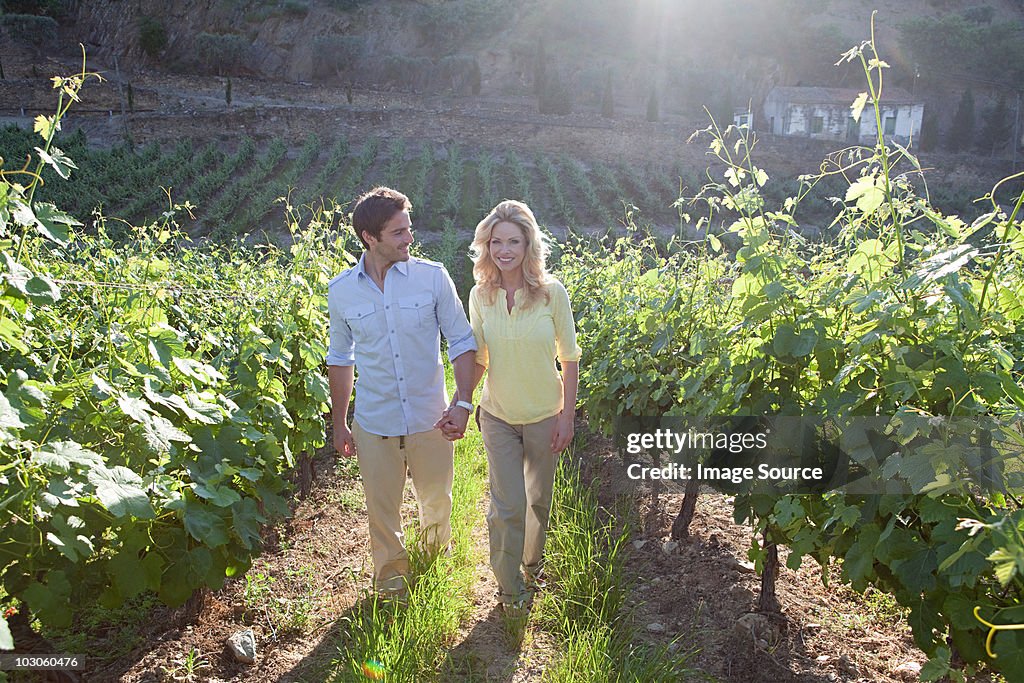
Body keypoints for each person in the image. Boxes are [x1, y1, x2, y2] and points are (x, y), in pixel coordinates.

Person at [326, 186, 478, 598]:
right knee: (382, 512)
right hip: (375, 422)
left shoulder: (432, 277)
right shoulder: (341, 291)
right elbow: (341, 357)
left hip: (431, 418)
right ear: (369, 238)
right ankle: (393, 585)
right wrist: (340, 422)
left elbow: (463, 342)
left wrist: (462, 404)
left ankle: (431, 570)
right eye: (398, 232)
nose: (409, 238)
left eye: (409, 229)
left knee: (436, 503)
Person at [444, 199, 580, 611]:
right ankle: (507, 588)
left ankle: (532, 566)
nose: (504, 250)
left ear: (528, 245)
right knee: (508, 504)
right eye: (496, 241)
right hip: (499, 416)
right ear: (486, 246)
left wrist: (567, 418)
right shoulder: (480, 295)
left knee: (538, 499)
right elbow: (480, 358)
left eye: (514, 242)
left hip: (544, 415)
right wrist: (461, 402)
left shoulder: (551, 294)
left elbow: (570, 357)